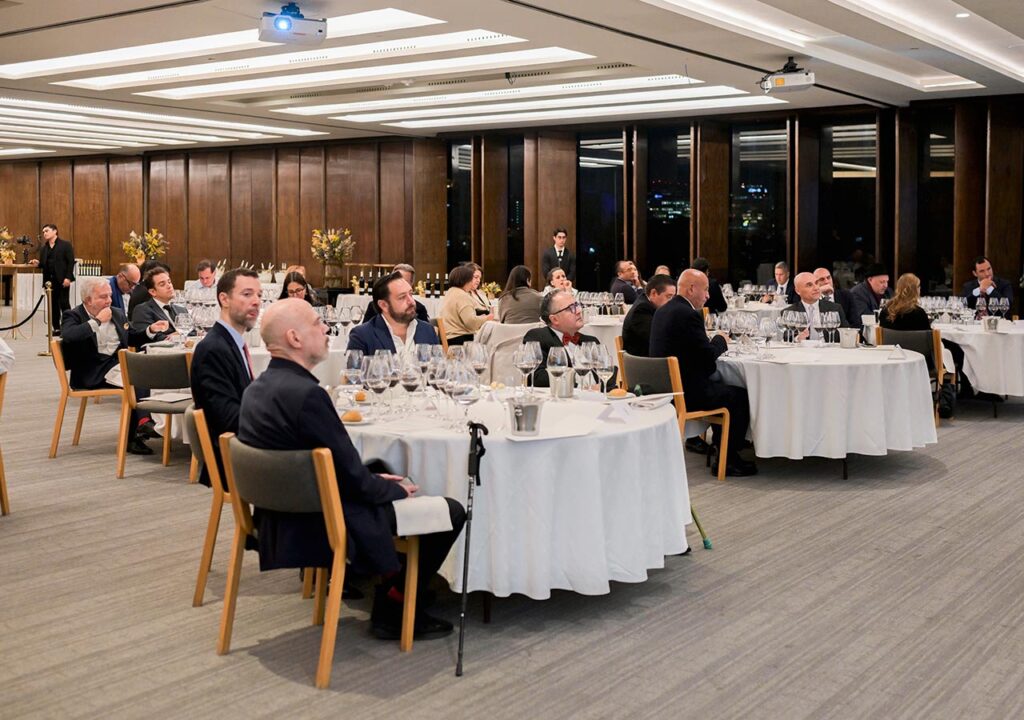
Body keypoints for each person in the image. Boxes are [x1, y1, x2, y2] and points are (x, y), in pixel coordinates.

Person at [237, 298, 465, 640]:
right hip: (319, 521)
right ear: (294, 338)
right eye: (317, 323)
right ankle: (396, 604)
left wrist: (373, 477)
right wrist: (393, 488)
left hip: (280, 517)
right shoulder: (307, 396)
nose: (326, 329)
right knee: (452, 511)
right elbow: (355, 482)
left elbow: (334, 467)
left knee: (380, 467)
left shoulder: (259, 388)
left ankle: (393, 580)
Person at [650, 269, 756, 477]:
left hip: (666, 388)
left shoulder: (664, 310)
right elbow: (707, 360)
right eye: (705, 290)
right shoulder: (688, 314)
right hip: (685, 392)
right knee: (739, 396)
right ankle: (728, 458)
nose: (708, 295)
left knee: (723, 388)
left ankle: (721, 446)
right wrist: (720, 340)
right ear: (691, 289)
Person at [60, 277, 169, 455]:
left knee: (150, 371)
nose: (109, 301)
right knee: (136, 376)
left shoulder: (117, 313)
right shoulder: (74, 315)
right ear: (88, 300)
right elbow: (69, 335)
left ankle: (144, 427)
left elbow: (131, 337)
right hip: (91, 372)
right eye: (103, 297)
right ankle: (139, 429)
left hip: (116, 365)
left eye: (110, 296)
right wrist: (96, 322)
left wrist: (150, 330)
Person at [189, 268, 262, 488]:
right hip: (234, 462)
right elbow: (229, 419)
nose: (256, 301)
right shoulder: (213, 349)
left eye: (259, 295)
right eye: (247, 294)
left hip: (244, 451)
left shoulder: (231, 343)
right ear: (224, 299)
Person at [522, 289, 602, 388]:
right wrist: (579, 385)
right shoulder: (538, 337)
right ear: (555, 319)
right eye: (570, 308)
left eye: (577, 305)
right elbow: (537, 377)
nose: (578, 311)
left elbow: (607, 375)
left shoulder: (591, 341)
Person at [348, 272, 439, 355]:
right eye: (402, 297)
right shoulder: (362, 336)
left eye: (411, 294)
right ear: (384, 305)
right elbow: (354, 368)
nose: (411, 301)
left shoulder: (428, 331)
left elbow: (437, 365)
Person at [28, 223, 75, 334]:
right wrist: (37, 263)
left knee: (64, 304)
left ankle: (68, 328)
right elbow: (43, 264)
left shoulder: (65, 245)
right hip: (49, 282)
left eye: (47, 231)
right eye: (43, 232)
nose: (44, 233)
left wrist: (68, 278)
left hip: (62, 280)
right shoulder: (44, 248)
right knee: (52, 305)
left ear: (55, 231)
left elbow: (70, 262)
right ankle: (56, 328)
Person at [621, 274, 676, 356]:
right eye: (669, 296)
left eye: (673, 297)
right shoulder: (641, 310)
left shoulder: (647, 303)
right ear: (653, 293)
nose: (672, 302)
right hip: (643, 361)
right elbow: (657, 338)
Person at [438, 263, 493, 345]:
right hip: (460, 341)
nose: (474, 282)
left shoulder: (450, 292)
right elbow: (471, 323)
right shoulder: (462, 296)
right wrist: (487, 318)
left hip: (448, 339)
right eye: (472, 279)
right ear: (465, 280)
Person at [783, 272, 849, 340]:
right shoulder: (789, 312)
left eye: (816, 283)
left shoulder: (835, 308)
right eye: (809, 285)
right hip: (803, 347)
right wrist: (797, 338)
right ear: (797, 291)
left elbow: (846, 333)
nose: (816, 288)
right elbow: (786, 337)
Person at [361, 264, 429, 323]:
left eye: (404, 281)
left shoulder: (419, 309)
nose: (399, 284)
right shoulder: (376, 306)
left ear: (411, 284)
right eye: (396, 280)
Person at [131, 267, 178, 341]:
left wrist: (178, 335)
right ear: (152, 292)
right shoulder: (143, 310)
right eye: (162, 284)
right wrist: (179, 336)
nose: (169, 286)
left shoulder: (181, 309)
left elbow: (193, 332)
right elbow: (151, 337)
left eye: (169, 282)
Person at [848, 263, 892, 328]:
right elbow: (866, 318)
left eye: (887, 281)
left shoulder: (888, 292)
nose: (885, 285)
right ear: (870, 280)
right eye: (882, 282)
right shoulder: (857, 293)